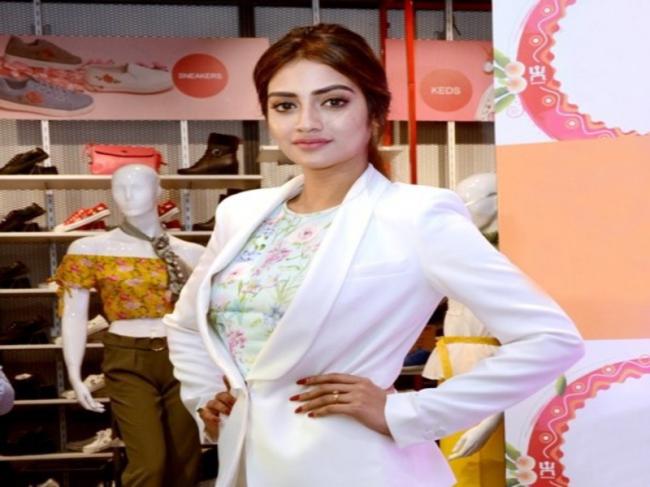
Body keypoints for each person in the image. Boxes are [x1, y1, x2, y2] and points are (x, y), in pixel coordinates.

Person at [164, 24, 584, 487]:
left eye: (333, 102)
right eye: (285, 105)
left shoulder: (418, 215)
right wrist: (204, 398)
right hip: (247, 462)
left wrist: (409, 412)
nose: (307, 122)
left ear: (375, 112)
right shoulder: (241, 213)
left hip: (357, 465)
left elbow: (550, 339)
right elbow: (186, 325)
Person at [53, 164, 204, 486]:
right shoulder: (90, 249)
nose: (128, 195)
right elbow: (74, 314)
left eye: (138, 186)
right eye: (119, 187)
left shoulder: (192, 253)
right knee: (149, 463)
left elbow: (212, 314)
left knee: (185, 463)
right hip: (128, 358)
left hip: (185, 356)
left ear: (159, 190)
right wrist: (74, 373)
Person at [423, 172, 505, 485]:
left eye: (469, 200)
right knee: (456, 459)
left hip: (483, 361)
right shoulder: (459, 250)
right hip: (455, 362)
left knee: (483, 461)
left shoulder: (504, 259)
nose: (463, 208)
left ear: (496, 203)